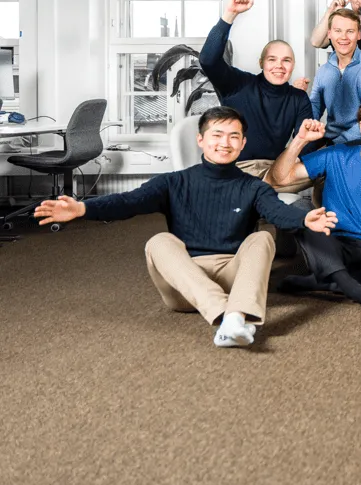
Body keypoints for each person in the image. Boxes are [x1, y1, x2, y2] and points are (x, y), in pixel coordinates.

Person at [33, 106, 337, 348]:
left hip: (233, 279)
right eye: (217, 135)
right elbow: (129, 201)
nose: (225, 143)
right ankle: (228, 314)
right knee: (159, 241)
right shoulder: (175, 182)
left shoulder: (253, 187)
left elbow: (277, 213)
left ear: (243, 143)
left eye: (234, 136)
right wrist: (82, 208)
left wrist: (303, 219)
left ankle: (232, 318)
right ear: (201, 140)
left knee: (262, 238)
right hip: (183, 287)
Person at [271, 99, 361, 308]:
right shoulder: (336, 155)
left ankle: (323, 281)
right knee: (300, 210)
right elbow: (280, 178)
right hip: (330, 239)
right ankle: (352, 288)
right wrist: (299, 141)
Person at [199, 0, 312, 185]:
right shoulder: (238, 84)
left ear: (293, 65)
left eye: (286, 60)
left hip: (277, 170)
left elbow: (306, 146)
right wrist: (230, 14)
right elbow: (208, 60)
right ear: (261, 63)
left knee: (327, 171)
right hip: (238, 170)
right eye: (272, 60)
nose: (279, 66)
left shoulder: (298, 98)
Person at [310, 8, 361, 145]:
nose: (343, 37)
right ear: (329, 34)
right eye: (338, 31)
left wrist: (334, 146)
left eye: (350, 31)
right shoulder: (324, 70)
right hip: (329, 138)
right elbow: (314, 108)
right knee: (295, 159)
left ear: (359, 35)